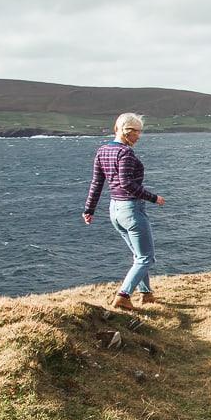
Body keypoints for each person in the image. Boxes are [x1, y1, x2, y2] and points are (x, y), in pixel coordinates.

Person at [83, 112, 166, 309]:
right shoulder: (125, 153)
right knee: (147, 258)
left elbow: (97, 183)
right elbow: (127, 184)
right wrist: (154, 198)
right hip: (132, 209)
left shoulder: (102, 151)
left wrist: (89, 209)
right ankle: (123, 296)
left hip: (115, 210)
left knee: (139, 256)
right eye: (136, 132)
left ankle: (146, 295)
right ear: (125, 131)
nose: (139, 136)